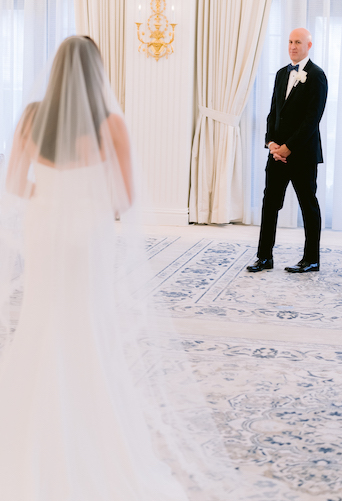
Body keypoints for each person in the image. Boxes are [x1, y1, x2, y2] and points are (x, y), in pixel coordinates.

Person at [0, 36, 246, 500]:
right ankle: (86, 420)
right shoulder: (110, 122)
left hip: (43, 229)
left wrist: (50, 198)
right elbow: (125, 199)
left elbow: (14, 181)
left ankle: (29, 427)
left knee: (40, 316)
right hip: (85, 234)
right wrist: (84, 199)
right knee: (84, 322)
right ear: (96, 73)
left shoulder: (32, 116)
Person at [247, 28, 328, 274]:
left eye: (298, 42)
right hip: (277, 155)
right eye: (290, 41)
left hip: (302, 155)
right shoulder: (282, 74)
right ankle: (264, 257)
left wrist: (288, 148)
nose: (293, 46)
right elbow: (274, 112)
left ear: (309, 45)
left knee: (308, 205)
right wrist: (271, 143)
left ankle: (311, 259)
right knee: (269, 204)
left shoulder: (317, 76)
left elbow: (312, 120)